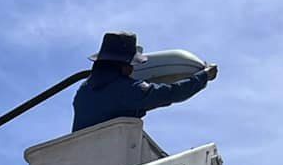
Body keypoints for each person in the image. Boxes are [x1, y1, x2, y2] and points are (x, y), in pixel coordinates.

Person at [71, 31, 216, 134]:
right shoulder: (127, 90)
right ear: (124, 65)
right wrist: (203, 77)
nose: (132, 68)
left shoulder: (83, 90)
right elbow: (170, 93)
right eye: (131, 64)